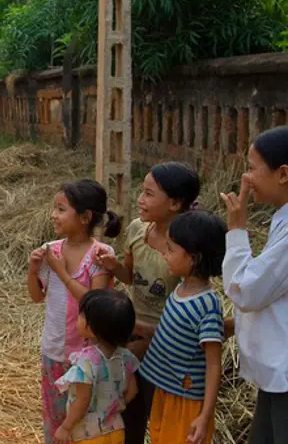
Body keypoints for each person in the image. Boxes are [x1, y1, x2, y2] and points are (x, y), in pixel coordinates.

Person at [94, 161, 200, 444]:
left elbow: (190, 298)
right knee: (129, 410)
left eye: (149, 194)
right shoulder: (137, 230)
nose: (140, 199)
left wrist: (151, 336)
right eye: (142, 191)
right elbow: (130, 277)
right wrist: (115, 266)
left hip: (170, 345)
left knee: (161, 414)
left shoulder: (187, 246)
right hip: (131, 338)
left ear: (175, 203)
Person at [28, 179, 122, 444]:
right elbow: (36, 297)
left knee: (81, 422)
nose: (53, 215)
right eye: (54, 208)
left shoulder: (100, 254)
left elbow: (94, 304)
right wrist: (33, 270)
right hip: (53, 350)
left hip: (85, 356)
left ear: (84, 217)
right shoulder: (52, 250)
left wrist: (61, 271)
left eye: (60, 209)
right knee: (54, 419)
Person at [220, 126, 288, 443]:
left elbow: (247, 291)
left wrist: (236, 229)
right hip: (276, 375)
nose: (247, 178)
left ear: (283, 173)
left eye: (252, 168)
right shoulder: (281, 219)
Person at [139, 211, 227, 444]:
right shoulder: (180, 288)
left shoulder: (206, 305)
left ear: (193, 259)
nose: (164, 254)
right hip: (166, 392)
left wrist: (204, 416)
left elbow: (213, 363)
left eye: (170, 249)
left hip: (186, 402)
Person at [54, 289, 139, 444]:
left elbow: (82, 400)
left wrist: (65, 427)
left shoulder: (85, 362)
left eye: (82, 316)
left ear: (91, 328)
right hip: (117, 430)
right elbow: (132, 391)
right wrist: (115, 406)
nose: (78, 318)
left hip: (89, 435)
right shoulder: (126, 357)